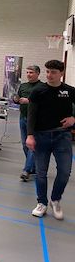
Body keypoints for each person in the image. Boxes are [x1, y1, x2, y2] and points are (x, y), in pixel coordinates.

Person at [27, 60, 75, 220]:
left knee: (64, 172)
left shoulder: (70, 91)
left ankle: (55, 199)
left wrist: (74, 119)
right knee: (41, 173)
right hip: (41, 136)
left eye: (53, 72)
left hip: (63, 136)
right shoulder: (38, 91)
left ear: (61, 73)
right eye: (47, 71)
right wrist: (30, 135)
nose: (49, 75)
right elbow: (31, 114)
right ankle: (42, 203)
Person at [13, 65, 43, 182]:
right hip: (23, 118)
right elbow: (18, 98)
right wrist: (16, 99)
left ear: (37, 74)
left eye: (31, 72)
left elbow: (44, 102)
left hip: (36, 120)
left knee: (31, 145)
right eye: (27, 72)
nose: (29, 74)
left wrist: (29, 101)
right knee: (25, 145)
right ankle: (33, 167)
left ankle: (26, 170)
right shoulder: (23, 86)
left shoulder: (42, 87)